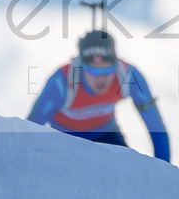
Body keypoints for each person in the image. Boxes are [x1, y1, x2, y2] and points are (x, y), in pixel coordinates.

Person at [28, 30, 171, 162]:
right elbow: (30, 129)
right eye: (94, 72)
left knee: (127, 174)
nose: (101, 79)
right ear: (81, 66)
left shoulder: (128, 76)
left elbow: (156, 127)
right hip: (64, 138)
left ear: (116, 65)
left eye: (108, 71)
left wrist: (163, 171)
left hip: (106, 134)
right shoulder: (62, 82)